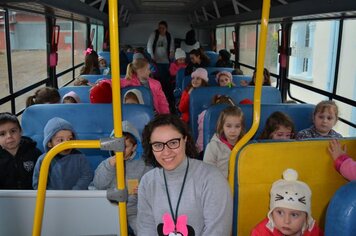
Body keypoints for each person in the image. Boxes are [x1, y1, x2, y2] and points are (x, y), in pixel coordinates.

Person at [137, 114, 233, 235]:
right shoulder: (147, 182)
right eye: (158, 145)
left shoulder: (212, 179)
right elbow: (146, 228)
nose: (166, 152)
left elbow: (218, 231)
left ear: (185, 139)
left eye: (173, 143)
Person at [92, 121, 152, 234]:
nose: (120, 150)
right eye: (116, 146)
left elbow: (153, 185)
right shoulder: (106, 164)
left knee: (145, 231)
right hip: (110, 209)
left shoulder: (144, 165)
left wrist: (143, 190)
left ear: (134, 147)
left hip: (134, 211)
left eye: (125, 147)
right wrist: (110, 166)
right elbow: (98, 185)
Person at [251, 168, 323, 236]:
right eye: (280, 212)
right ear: (272, 213)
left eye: (294, 215)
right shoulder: (261, 233)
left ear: (306, 216)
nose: (286, 221)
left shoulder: (314, 232)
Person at [32, 117, 93, 190]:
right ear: (49, 143)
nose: (66, 143)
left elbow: (87, 176)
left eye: (70, 139)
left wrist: (75, 191)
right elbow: (38, 183)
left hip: (76, 197)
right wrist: (51, 195)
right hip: (51, 199)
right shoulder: (43, 160)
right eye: (60, 140)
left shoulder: (80, 157)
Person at [0, 112, 42, 189]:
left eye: (13, 131)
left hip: (34, 198)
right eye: (2, 134)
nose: (9, 136)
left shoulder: (34, 152)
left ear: (20, 131)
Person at [203, 106, 245, 177]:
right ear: (222, 126)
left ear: (242, 127)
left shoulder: (245, 146)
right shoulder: (213, 147)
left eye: (237, 126)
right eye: (228, 126)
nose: (233, 131)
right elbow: (207, 172)